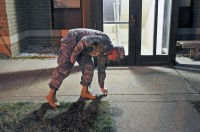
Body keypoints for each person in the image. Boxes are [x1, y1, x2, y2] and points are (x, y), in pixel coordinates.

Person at [46, 28, 125, 108]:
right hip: (72, 40)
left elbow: (101, 70)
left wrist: (102, 86)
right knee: (64, 68)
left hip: (83, 49)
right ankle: (51, 95)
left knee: (89, 67)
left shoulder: (104, 55)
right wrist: (74, 54)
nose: (115, 60)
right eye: (116, 58)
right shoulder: (104, 42)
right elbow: (84, 40)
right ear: (115, 52)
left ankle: (85, 92)